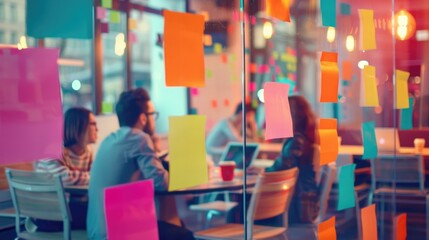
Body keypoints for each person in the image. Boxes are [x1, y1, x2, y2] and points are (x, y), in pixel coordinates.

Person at [86, 88, 194, 240]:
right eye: (152, 115)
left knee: (175, 226)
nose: (153, 120)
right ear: (143, 118)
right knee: (185, 236)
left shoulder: (108, 140)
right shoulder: (139, 138)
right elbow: (161, 183)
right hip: (118, 233)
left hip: (96, 231)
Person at [33, 107, 98, 230]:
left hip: (71, 210)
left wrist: (93, 177)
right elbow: (65, 179)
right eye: (93, 124)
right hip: (49, 215)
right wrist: (94, 177)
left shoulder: (87, 151)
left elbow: (95, 178)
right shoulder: (53, 150)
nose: (97, 129)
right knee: (103, 216)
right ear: (78, 126)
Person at [265, 95, 319, 224]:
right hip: (300, 202)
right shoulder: (302, 138)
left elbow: (280, 170)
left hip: (295, 207)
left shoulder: (297, 141)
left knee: (243, 206)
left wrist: (259, 173)